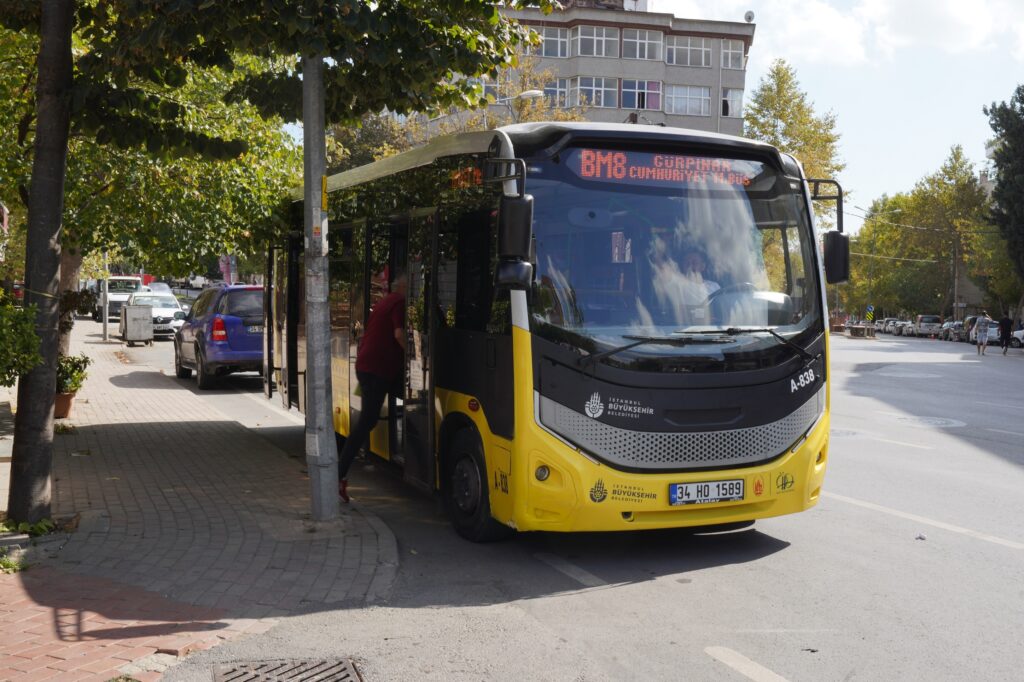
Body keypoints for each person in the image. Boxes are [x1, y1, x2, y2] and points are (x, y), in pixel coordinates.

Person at [337, 272, 407, 502]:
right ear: (405, 286)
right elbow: (399, 334)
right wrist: (414, 353)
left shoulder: (385, 302)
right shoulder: (399, 302)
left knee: (408, 400)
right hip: (377, 369)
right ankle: (338, 474)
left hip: (369, 366)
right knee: (368, 421)